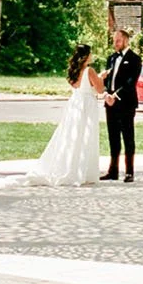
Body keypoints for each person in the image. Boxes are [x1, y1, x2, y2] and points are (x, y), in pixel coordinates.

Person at [23, 44, 105, 187]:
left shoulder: (74, 71)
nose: (92, 56)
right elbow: (99, 89)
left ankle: (71, 167)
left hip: (75, 104)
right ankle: (81, 171)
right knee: (85, 136)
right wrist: (101, 77)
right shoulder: (89, 70)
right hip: (86, 105)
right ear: (86, 56)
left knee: (72, 137)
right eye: (90, 53)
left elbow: (79, 86)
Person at [102, 29, 141, 182]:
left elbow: (131, 82)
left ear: (125, 40)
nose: (115, 43)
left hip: (126, 103)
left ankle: (129, 171)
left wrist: (116, 95)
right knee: (113, 137)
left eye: (118, 40)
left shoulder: (135, 59)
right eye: (113, 40)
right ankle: (113, 170)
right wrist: (106, 93)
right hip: (110, 104)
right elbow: (107, 80)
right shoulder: (111, 58)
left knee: (128, 137)